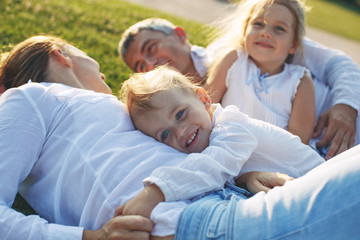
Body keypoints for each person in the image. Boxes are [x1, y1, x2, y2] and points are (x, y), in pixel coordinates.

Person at [1, 35, 360, 240]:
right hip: (198, 222)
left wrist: (243, 175)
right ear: (60, 54)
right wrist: (90, 238)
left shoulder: (117, 111)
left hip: (232, 197)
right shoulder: (31, 99)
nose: (103, 72)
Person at [118, 14, 360, 159]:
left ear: (180, 35)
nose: (151, 64)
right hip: (323, 156)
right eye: (140, 66)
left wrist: (346, 105)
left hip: (347, 121)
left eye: (151, 48)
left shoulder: (236, 46)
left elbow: (335, 63)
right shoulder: (179, 122)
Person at [118, 65, 325, 220]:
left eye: (180, 114)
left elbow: (214, 166)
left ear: (203, 99)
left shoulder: (232, 126)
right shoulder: (207, 138)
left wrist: (155, 193)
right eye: (164, 135)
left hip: (326, 185)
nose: (180, 132)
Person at [204, 0, 316, 145]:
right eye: (258, 24)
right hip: (224, 143)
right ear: (245, 31)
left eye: (279, 29)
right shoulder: (234, 60)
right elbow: (206, 106)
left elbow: (298, 141)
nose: (265, 33)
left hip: (271, 159)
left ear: (293, 45)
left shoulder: (300, 82)